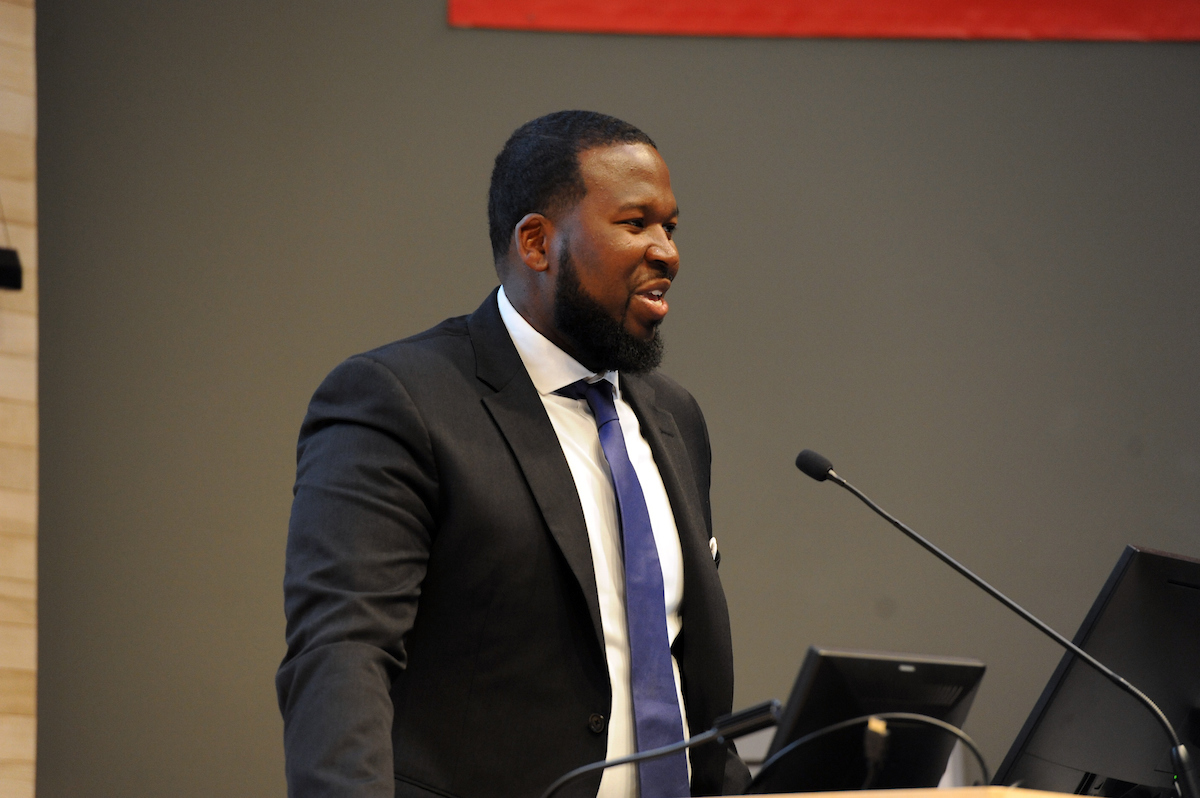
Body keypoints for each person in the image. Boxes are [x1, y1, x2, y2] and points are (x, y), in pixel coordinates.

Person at [276, 111, 750, 798]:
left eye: (670, 228)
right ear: (537, 243)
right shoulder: (400, 399)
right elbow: (342, 653)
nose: (666, 253)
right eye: (635, 223)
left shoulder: (675, 417)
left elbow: (681, 677)